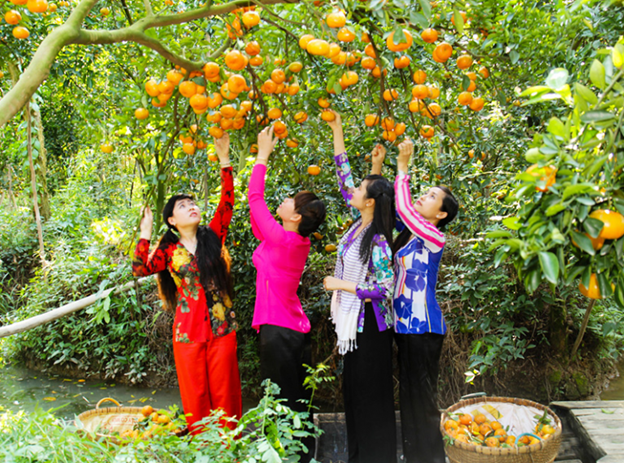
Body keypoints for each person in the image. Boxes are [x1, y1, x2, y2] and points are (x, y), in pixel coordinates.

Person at [132, 133, 241, 434]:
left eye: (192, 203)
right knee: (196, 392)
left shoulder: (213, 236)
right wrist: (145, 232)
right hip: (188, 328)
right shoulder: (168, 249)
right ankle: (202, 446)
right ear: (171, 220)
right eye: (182, 206)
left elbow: (227, 203)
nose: (191, 206)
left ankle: (229, 445)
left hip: (222, 324)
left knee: (226, 391)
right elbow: (140, 269)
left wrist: (225, 161)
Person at [322, 111, 397, 463]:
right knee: (353, 394)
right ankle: (357, 456)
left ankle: (375, 457)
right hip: (352, 328)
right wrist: (337, 130)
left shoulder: (379, 239)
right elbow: (345, 180)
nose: (352, 192)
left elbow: (385, 288)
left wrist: (343, 284)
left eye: (361, 191)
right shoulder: (358, 226)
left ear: (369, 202)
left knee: (371, 397)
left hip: (370, 330)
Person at [248, 126, 326, 462]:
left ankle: (287, 457)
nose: (284, 199)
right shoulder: (291, 240)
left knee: (281, 400)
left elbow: (255, 200)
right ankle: (299, 455)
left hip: (279, 331)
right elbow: (257, 221)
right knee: (292, 399)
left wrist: (262, 156)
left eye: (290, 200)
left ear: (295, 216)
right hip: (287, 329)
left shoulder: (284, 240)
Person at [392, 138, 459, 463]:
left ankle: (432, 458)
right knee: (409, 397)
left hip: (424, 328)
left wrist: (402, 168)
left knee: (423, 398)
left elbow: (404, 207)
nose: (423, 196)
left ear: (441, 214)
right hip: (405, 328)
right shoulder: (410, 233)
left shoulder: (434, 236)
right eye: (425, 192)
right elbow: (397, 208)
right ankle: (415, 456)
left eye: (431, 196)